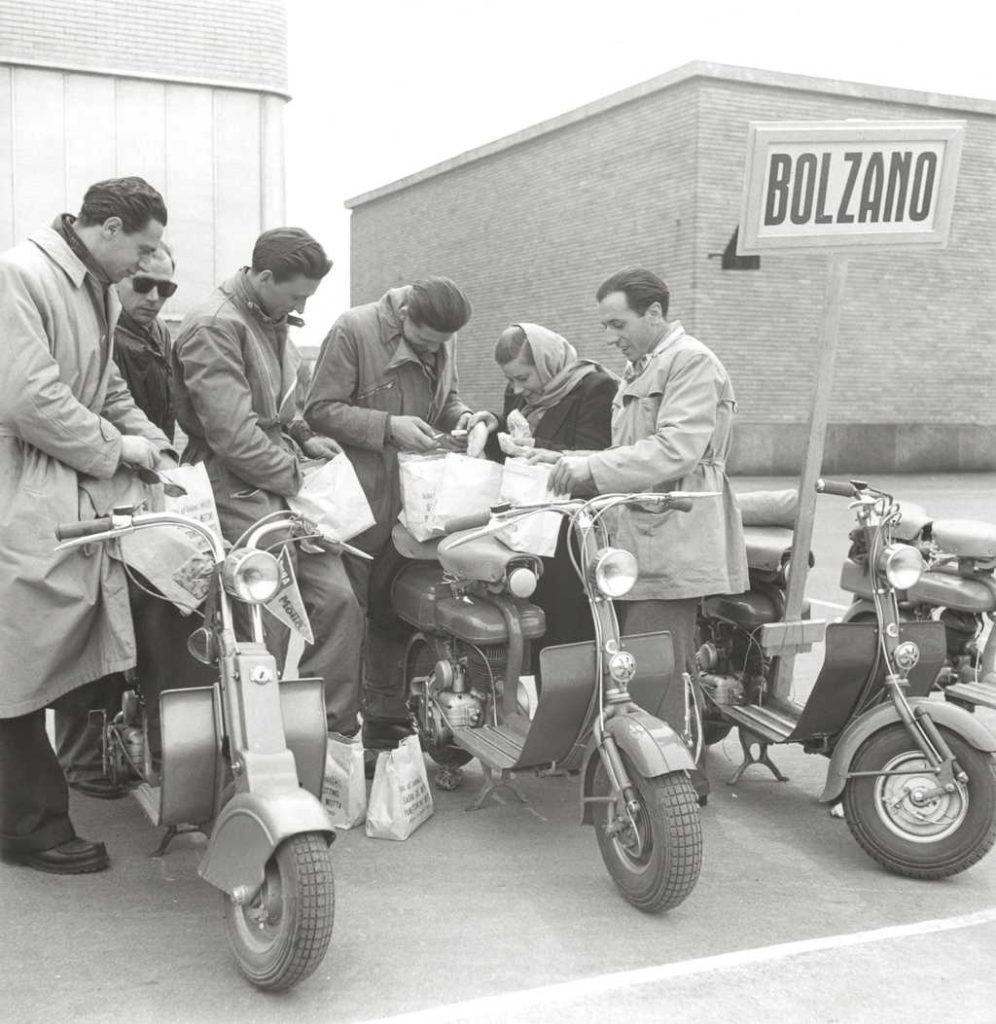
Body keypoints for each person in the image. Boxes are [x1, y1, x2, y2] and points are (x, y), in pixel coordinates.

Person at [0, 176, 174, 874]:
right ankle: (28, 825)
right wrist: (117, 447)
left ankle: (41, 804)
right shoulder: (21, 274)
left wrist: (150, 436)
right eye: (143, 246)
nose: (146, 263)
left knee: (53, 641)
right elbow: (28, 396)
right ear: (106, 229)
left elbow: (106, 388)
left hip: (64, 480)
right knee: (19, 652)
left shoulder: (93, 286)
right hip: (23, 483)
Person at [537, 267, 749, 734]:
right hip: (647, 538)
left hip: (675, 536)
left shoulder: (690, 361)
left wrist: (588, 470)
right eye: (605, 327)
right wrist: (560, 458)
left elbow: (676, 450)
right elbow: (630, 453)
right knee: (658, 662)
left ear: (653, 314)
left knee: (655, 666)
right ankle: (673, 778)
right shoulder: (648, 365)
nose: (611, 338)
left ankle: (670, 785)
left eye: (618, 324)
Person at [170, 227, 364, 736]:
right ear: (263, 276)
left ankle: (330, 733)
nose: (303, 305)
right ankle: (254, 740)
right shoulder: (214, 325)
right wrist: (298, 475)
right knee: (266, 613)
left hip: (278, 470)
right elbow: (232, 435)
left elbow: (279, 403)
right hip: (234, 479)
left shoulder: (269, 311)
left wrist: (302, 434)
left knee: (339, 600)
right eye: (297, 294)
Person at [304, 277, 497, 752]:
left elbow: (447, 401)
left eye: (441, 344)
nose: (434, 349)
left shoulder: (441, 338)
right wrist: (388, 427)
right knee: (346, 618)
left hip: (416, 506)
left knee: (400, 611)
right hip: (358, 505)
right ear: (406, 312)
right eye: (426, 340)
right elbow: (318, 410)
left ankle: (387, 723)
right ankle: (332, 739)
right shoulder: (353, 330)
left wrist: (467, 418)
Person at [52, 242, 183, 799]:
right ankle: (84, 758)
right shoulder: (103, 334)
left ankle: (134, 743)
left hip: (139, 484)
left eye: (166, 288)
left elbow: (135, 407)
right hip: (93, 489)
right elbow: (81, 411)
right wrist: (131, 449)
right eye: (143, 284)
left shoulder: (152, 336)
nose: (154, 297)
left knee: (142, 618)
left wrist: (163, 455)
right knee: (99, 621)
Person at [491, 322, 617, 663]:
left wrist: (532, 446)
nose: (518, 388)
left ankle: (569, 701)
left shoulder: (597, 388)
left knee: (563, 623)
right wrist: (486, 423)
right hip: (526, 523)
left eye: (524, 378)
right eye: (511, 379)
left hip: (569, 533)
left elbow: (595, 458)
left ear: (547, 363)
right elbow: (508, 433)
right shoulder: (520, 392)